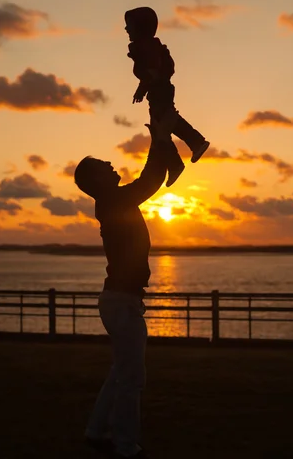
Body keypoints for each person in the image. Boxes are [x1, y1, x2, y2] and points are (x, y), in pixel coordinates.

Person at [74, 116, 176, 458]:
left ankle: (95, 432)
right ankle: (125, 445)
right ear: (96, 180)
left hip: (119, 300)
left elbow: (150, 180)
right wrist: (160, 139)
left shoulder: (113, 202)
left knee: (121, 371)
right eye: (103, 165)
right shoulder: (115, 202)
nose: (110, 162)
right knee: (132, 378)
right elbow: (151, 180)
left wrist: (160, 140)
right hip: (121, 302)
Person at [125, 6, 210, 187]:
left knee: (162, 126)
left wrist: (143, 87)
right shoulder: (149, 46)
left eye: (129, 26)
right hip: (160, 89)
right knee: (164, 125)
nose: (126, 30)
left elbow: (152, 71)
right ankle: (181, 157)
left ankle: (185, 153)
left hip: (159, 90)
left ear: (140, 28)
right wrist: (143, 87)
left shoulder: (145, 48)